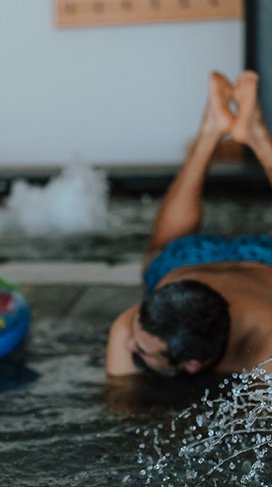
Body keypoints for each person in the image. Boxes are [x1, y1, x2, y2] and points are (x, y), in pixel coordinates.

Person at [106, 70, 272, 378]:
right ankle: (250, 135)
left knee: (162, 251)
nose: (128, 344)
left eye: (142, 350)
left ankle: (216, 132)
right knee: (160, 253)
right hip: (259, 267)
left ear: (193, 365)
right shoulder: (132, 325)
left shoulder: (266, 349)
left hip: (219, 260)